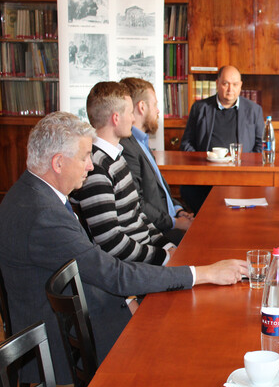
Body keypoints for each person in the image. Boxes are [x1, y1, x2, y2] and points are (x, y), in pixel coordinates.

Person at [0, 112, 247, 387]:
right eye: (84, 157)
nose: (90, 167)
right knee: (187, 343)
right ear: (58, 163)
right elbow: (112, 274)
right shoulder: (42, 214)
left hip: (75, 314)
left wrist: (127, 298)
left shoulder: (31, 193)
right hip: (62, 343)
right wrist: (202, 274)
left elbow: (91, 262)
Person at [71, 82, 173, 265]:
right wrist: (163, 257)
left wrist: (167, 246)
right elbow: (112, 242)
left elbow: (138, 214)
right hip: (130, 266)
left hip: (145, 255)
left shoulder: (116, 156)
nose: (134, 119)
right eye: (130, 113)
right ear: (116, 118)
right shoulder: (95, 168)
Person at [180, 65, 264, 213]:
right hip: (206, 174)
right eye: (225, 84)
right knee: (188, 190)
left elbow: (260, 145)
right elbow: (187, 142)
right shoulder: (200, 108)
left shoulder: (254, 110)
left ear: (241, 86)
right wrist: (201, 162)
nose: (230, 89)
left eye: (235, 84)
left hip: (241, 175)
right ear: (217, 83)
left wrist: (247, 165)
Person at [120, 77, 194, 245]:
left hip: (169, 220)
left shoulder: (142, 142)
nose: (158, 111)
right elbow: (138, 203)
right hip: (156, 232)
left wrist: (178, 210)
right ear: (142, 107)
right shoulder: (127, 148)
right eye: (155, 105)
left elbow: (160, 190)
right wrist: (175, 222)